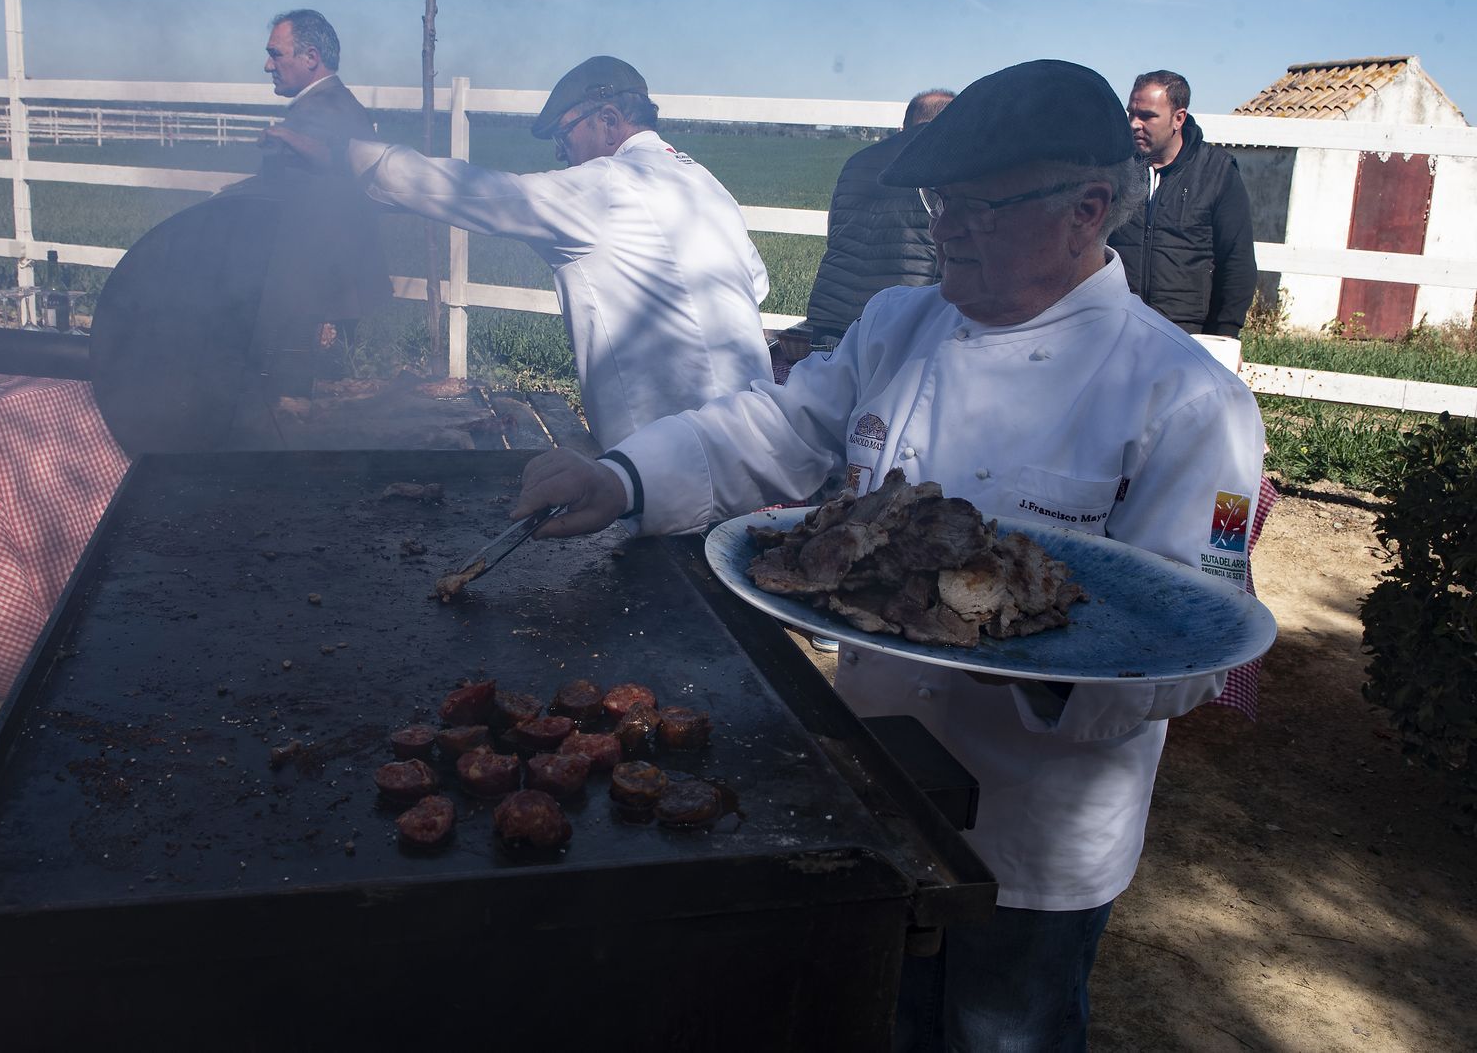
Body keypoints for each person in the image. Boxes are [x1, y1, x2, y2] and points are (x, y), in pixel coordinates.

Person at [508, 59, 1266, 1050]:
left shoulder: (1187, 400)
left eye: (979, 207)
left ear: (1086, 208)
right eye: (937, 200)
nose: (945, 227)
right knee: (864, 1016)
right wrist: (621, 478)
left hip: (1035, 827)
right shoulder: (903, 322)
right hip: (868, 776)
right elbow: (773, 428)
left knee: (999, 1031)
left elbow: (1194, 643)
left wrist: (1030, 656)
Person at [269, 55, 771, 448]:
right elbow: (758, 282)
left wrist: (348, 154)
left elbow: (477, 193)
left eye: (563, 135)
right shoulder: (705, 183)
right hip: (754, 437)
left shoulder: (607, 186)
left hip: (666, 457)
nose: (560, 153)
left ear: (609, 118)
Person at [228, 9, 389, 405]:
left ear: (311, 57)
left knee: (306, 407)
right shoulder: (322, 105)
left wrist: (286, 137)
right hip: (323, 286)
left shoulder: (327, 107)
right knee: (305, 403)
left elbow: (338, 163)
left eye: (276, 54)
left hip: (321, 292)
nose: (268, 64)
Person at [799, 88, 954, 350]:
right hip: (904, 320)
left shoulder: (857, 160)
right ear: (952, 122)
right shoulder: (947, 160)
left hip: (832, 320)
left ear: (904, 125)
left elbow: (834, 234)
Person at [1108, 70, 1257, 339]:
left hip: (1185, 335)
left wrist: (1224, 335)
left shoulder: (1217, 172)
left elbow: (1237, 260)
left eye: (1148, 116)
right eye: (1131, 113)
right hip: (1114, 328)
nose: (1133, 124)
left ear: (1179, 118)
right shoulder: (1113, 169)